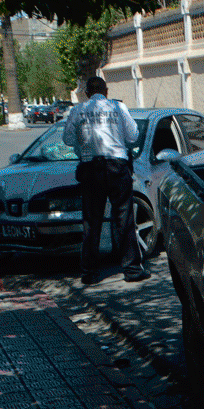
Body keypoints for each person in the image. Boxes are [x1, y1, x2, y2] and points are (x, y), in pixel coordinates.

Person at [63, 76, 149, 283]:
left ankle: (90, 273)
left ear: (86, 93)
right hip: (117, 167)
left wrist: (84, 144)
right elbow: (132, 136)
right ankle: (132, 270)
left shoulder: (77, 110)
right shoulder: (119, 108)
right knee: (124, 219)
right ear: (106, 91)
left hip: (91, 169)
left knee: (91, 222)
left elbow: (67, 139)